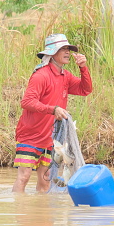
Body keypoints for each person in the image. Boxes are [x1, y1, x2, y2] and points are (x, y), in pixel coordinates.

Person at [12, 33, 93, 193]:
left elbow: (85, 90)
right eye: (63, 48)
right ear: (51, 53)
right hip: (30, 136)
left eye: (68, 49)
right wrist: (52, 109)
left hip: (50, 139)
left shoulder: (65, 76)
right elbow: (26, 102)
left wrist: (83, 68)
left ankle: (43, 216)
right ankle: (19, 214)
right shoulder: (41, 75)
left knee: (46, 180)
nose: (67, 52)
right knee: (24, 176)